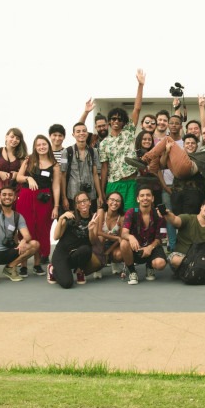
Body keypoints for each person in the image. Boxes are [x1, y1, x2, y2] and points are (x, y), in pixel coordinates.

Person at [98, 70, 146, 211]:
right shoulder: (104, 143)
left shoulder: (129, 132)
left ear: (124, 122)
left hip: (131, 182)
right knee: (114, 217)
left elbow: (137, 109)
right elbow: (105, 168)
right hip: (114, 184)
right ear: (109, 122)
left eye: (120, 119)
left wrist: (140, 85)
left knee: (131, 216)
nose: (116, 121)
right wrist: (102, 193)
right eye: (113, 119)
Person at [0, 186, 41, 286]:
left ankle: (9, 268)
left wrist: (23, 241)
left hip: (7, 251)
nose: (7, 197)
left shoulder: (18, 216)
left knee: (35, 244)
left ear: (14, 197)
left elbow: (27, 235)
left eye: (10, 195)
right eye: (4, 194)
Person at [15, 134, 61, 276]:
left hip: (44, 200)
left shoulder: (55, 165)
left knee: (41, 229)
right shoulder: (28, 160)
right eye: (38, 145)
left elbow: (56, 187)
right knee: (25, 229)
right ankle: (23, 264)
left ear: (48, 145)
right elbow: (18, 177)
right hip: (26, 197)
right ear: (35, 147)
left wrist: (56, 206)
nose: (41, 147)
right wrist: (28, 178)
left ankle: (36, 263)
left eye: (44, 144)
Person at [120, 187, 168, 285]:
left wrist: (150, 247)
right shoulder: (132, 212)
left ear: (153, 198)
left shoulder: (158, 214)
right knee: (124, 243)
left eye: (148, 195)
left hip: (152, 247)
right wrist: (131, 237)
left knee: (160, 264)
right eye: (142, 195)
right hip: (136, 248)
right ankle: (132, 272)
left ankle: (150, 266)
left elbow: (160, 237)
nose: (145, 198)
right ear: (138, 199)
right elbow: (124, 233)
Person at [49, 191, 95, 288]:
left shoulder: (94, 218)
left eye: (85, 201)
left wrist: (91, 230)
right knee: (67, 283)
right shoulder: (70, 217)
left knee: (87, 249)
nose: (82, 204)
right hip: (62, 253)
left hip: (76, 254)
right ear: (76, 205)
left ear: (90, 202)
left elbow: (93, 242)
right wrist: (61, 218)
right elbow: (56, 237)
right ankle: (53, 269)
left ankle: (79, 270)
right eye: (79, 202)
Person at [62, 122, 105, 211]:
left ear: (87, 133)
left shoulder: (94, 152)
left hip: (90, 195)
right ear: (73, 134)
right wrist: (64, 198)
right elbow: (63, 175)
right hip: (73, 194)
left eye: (84, 131)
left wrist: (100, 195)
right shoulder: (66, 152)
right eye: (78, 131)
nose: (81, 133)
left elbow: (95, 174)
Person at [91, 191, 126, 280]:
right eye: (112, 200)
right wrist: (116, 237)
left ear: (121, 204)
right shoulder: (101, 211)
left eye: (118, 201)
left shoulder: (122, 217)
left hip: (114, 245)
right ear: (107, 201)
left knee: (119, 255)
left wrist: (108, 251)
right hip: (100, 243)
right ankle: (98, 266)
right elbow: (98, 232)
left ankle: (114, 262)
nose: (114, 203)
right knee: (101, 237)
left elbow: (121, 237)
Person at [0, 128, 26, 198]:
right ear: (6, 137)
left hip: (15, 190)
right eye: (12, 137)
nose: (14, 140)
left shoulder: (21, 155)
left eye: (17, 138)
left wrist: (17, 174)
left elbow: (25, 174)